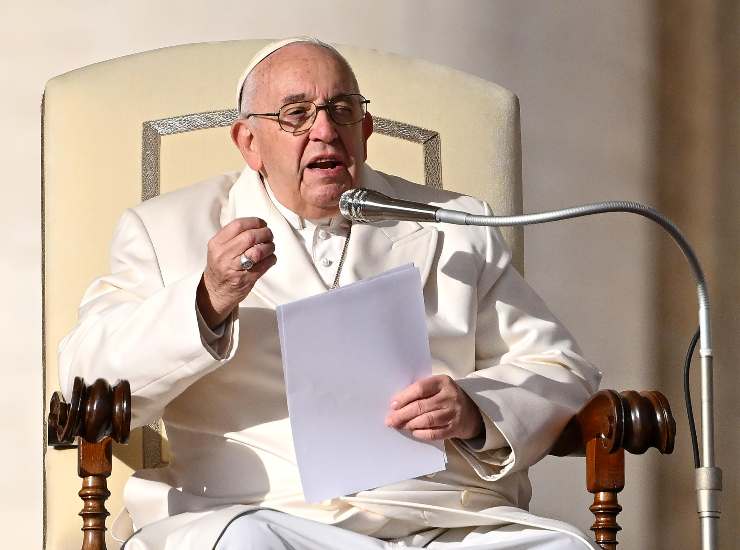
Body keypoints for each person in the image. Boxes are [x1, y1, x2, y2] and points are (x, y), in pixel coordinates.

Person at [59, 37, 601, 549]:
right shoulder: (166, 230)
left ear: (365, 129)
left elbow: (561, 369)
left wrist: (476, 409)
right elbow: (84, 376)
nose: (324, 131)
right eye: (296, 114)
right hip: (265, 514)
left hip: (441, 518)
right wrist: (205, 301)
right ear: (249, 142)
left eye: (342, 111)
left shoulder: (454, 224)